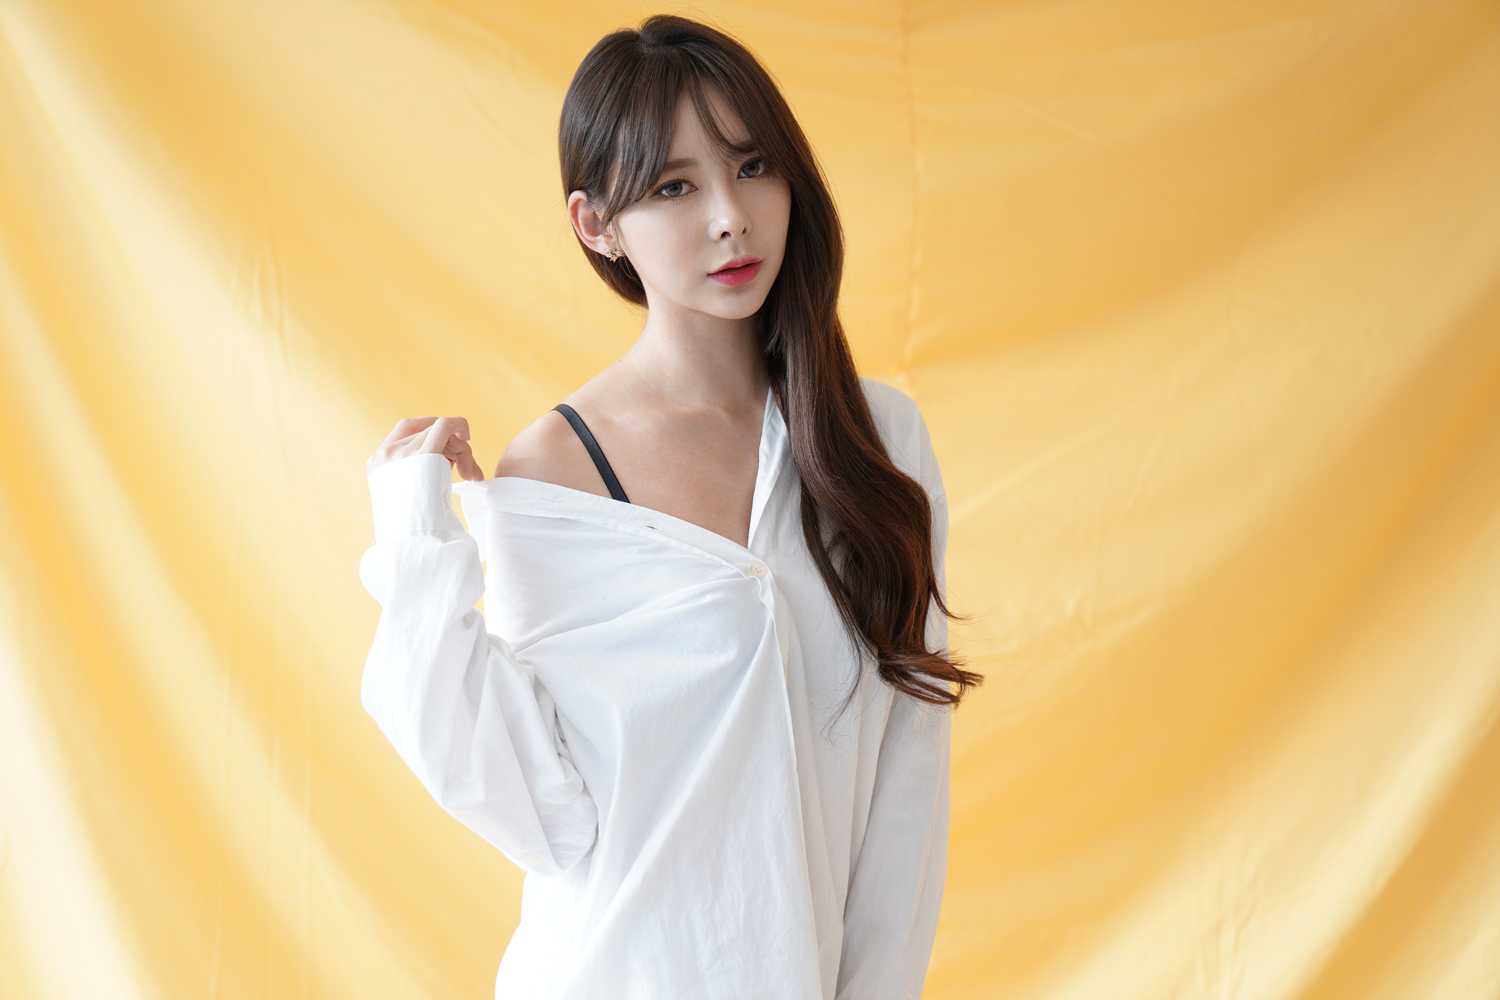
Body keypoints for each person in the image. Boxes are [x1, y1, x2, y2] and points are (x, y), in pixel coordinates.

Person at [359, 14, 980, 1000]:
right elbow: (537, 814)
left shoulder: (874, 443)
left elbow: (906, 780)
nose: (731, 217)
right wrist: (416, 542)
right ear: (595, 224)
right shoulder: (555, 473)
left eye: (754, 167)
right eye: (674, 187)